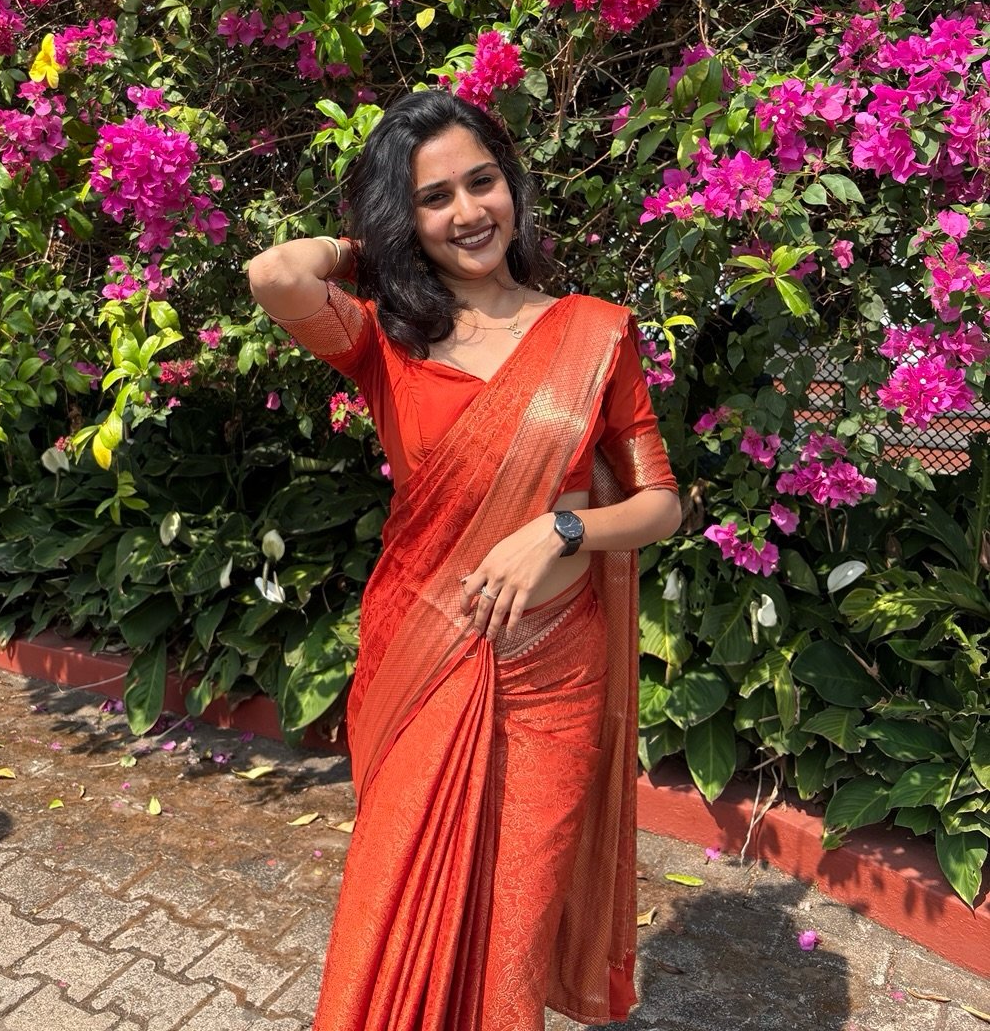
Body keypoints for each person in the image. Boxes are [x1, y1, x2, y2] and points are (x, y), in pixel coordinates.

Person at [247, 90, 682, 1031]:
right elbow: (275, 274)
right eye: (433, 199)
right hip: (426, 655)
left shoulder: (595, 333)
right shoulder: (388, 340)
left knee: (511, 934)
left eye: (482, 183)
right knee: (395, 905)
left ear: (512, 185)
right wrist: (385, 252)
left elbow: (660, 503)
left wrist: (564, 531)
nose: (468, 212)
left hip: (555, 674)